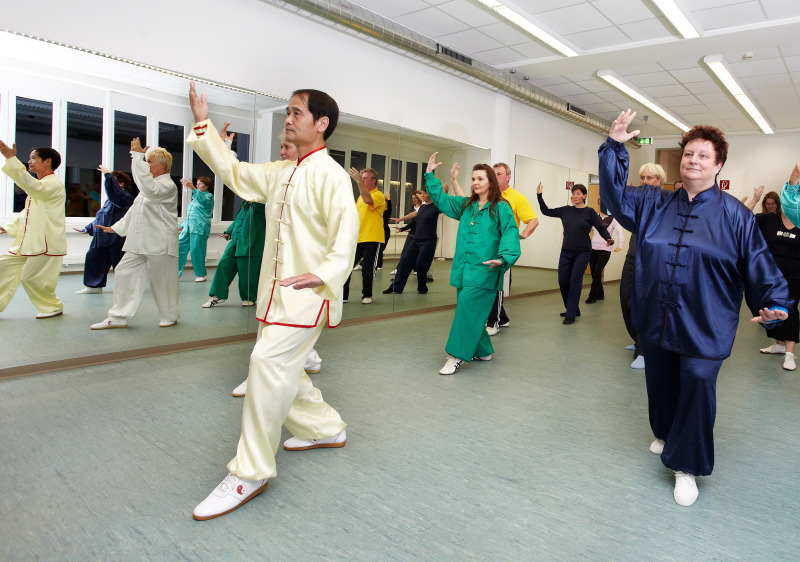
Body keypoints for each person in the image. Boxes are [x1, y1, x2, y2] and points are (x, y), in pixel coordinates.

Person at [599, 109, 791, 507]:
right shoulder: (652, 203)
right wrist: (615, 147)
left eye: (704, 155)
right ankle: (666, 433)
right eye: (688, 153)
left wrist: (775, 302)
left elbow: (759, 262)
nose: (693, 160)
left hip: (706, 323)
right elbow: (615, 195)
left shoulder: (736, 216)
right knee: (661, 384)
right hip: (656, 317)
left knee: (699, 385)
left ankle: (686, 467)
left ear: (718, 164)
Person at [187, 82, 358, 521]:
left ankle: (251, 471)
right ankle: (327, 429)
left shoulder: (332, 176)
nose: (288, 118)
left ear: (322, 124)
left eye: (297, 113)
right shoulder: (282, 171)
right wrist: (203, 127)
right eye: (287, 111)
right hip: (274, 295)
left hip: (307, 296)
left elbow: (346, 236)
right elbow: (235, 173)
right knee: (287, 373)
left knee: (266, 364)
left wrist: (324, 274)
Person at [424, 153, 520, 375]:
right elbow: (442, 200)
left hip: (486, 270)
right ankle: (483, 349)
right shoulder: (467, 205)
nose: (476, 182)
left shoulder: (501, 207)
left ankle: (456, 355)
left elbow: (510, 232)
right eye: (473, 179)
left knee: (466, 313)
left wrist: (504, 258)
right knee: (470, 312)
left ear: (491, 183)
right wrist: (430, 175)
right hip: (464, 270)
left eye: (481, 179)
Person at [90, 139, 179, 329]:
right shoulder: (149, 187)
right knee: (123, 271)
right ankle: (118, 316)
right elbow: (135, 210)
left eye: (149, 162)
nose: (146, 166)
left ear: (162, 165)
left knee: (161, 281)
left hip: (159, 243)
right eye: (146, 162)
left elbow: (148, 188)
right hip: (139, 242)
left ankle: (169, 315)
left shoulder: (167, 186)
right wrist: (115, 228)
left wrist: (138, 157)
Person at [451, 162, 539, 336]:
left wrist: (522, 235)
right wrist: (454, 181)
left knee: (494, 288)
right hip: (481, 249)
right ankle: (501, 318)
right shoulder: (481, 197)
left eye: (499, 174)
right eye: (494, 173)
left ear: (508, 176)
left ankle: (495, 321)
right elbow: (465, 203)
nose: (496, 176)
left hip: (501, 251)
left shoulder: (515, 198)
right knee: (483, 289)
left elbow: (533, 220)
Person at [202, 123, 266, 309]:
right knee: (224, 265)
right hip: (237, 241)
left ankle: (249, 297)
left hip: (252, 245)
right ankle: (217, 295)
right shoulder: (247, 202)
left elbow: (240, 177)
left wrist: (229, 152)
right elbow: (239, 219)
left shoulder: (263, 201)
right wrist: (229, 231)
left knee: (248, 274)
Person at [0, 142, 66, 318]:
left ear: (47, 162)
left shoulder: (53, 184)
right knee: (2, 266)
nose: (29, 162)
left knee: (31, 278)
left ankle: (52, 307)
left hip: (45, 243)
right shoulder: (41, 186)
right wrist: (6, 227)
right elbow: (27, 213)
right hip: (29, 241)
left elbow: (34, 189)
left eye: (33, 158)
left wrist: (10, 158)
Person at [537, 183, 613, 324]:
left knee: (575, 280)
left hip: (583, 252)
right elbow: (545, 211)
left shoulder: (589, 212)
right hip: (566, 251)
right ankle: (573, 308)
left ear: (584, 196)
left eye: (578, 193)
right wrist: (539, 196)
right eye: (573, 193)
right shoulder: (566, 210)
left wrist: (608, 238)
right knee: (563, 280)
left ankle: (571, 313)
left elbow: (600, 227)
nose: (574, 196)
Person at [621, 163, 667, 370]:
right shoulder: (637, 198)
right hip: (632, 257)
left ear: (659, 181)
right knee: (626, 300)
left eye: (650, 178)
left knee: (644, 306)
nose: (646, 182)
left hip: (652, 261)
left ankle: (644, 349)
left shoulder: (666, 201)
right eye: (643, 178)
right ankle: (637, 338)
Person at [74, 168, 136, 294]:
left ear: (121, 183)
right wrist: (88, 228)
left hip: (117, 238)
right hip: (101, 238)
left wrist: (108, 176)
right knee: (93, 258)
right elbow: (101, 218)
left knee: (120, 265)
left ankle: (127, 289)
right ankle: (94, 286)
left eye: (112, 181)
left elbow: (117, 196)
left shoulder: (126, 199)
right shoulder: (108, 202)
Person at [383, 187, 440, 295]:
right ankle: (396, 287)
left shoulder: (436, 207)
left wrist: (444, 192)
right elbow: (416, 221)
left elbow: (445, 203)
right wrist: (403, 228)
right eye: (422, 194)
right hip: (416, 239)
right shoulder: (422, 207)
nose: (422, 196)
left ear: (431, 195)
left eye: (425, 194)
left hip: (428, 241)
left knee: (420, 264)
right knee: (405, 261)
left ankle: (422, 286)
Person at [343, 167, 386, 304]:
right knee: (346, 267)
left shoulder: (378, 195)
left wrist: (358, 182)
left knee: (367, 269)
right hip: (358, 238)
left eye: (365, 178)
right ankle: (343, 296)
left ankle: (367, 295)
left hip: (373, 238)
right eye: (362, 178)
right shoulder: (360, 198)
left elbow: (368, 200)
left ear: (374, 181)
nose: (362, 180)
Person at [585, 198, 624, 304]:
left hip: (605, 249)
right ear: (599, 204)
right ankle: (600, 294)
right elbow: (586, 228)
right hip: (593, 248)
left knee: (597, 272)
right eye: (601, 203)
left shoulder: (613, 219)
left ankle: (592, 296)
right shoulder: (595, 217)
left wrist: (620, 245)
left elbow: (620, 233)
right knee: (594, 273)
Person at [178, 176, 214, 282]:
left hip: (199, 228)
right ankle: (175, 272)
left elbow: (202, 200)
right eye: (197, 183)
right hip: (188, 228)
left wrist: (192, 188)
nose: (198, 185)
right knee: (179, 248)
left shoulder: (208, 197)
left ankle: (201, 274)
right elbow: (190, 215)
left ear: (207, 186)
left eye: (200, 183)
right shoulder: (194, 199)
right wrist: (182, 225)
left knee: (196, 251)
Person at [376, 190, 392, 270]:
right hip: (378, 231)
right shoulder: (379, 210)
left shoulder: (387, 211)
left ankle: (379, 265)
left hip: (385, 231)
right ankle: (377, 264)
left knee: (381, 248)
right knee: (377, 248)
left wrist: (388, 199)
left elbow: (390, 207)